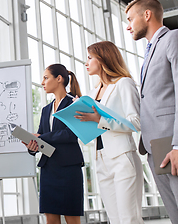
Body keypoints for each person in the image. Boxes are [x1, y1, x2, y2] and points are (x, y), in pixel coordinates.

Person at [126, 0, 178, 224]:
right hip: (156, 149)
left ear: (147, 15)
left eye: (130, 19)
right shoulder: (148, 53)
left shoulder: (175, 38)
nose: (128, 26)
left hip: (175, 147)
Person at [74, 41, 143, 224]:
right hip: (100, 158)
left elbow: (136, 123)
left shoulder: (124, 84)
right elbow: (94, 129)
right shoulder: (93, 91)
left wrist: (100, 120)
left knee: (129, 218)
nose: (86, 62)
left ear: (103, 59)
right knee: (114, 219)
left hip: (122, 157)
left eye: (90, 58)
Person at [25, 64, 84, 224]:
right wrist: (33, 146)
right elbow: (42, 136)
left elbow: (70, 134)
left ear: (59, 79)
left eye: (46, 77)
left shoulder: (74, 103)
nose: (42, 82)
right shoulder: (46, 109)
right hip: (48, 169)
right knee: (50, 219)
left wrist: (42, 137)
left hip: (69, 168)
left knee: (72, 218)